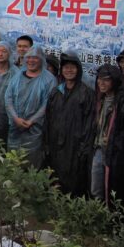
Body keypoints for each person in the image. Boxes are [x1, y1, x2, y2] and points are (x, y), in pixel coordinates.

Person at [44, 51, 95, 197]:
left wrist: (83, 149)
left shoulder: (86, 93)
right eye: (66, 67)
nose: (69, 70)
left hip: (75, 147)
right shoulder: (56, 92)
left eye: (73, 67)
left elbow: (89, 124)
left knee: (74, 183)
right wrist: (47, 142)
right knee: (55, 179)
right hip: (55, 146)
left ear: (78, 69)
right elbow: (48, 119)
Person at [4, 46, 57, 168]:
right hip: (15, 128)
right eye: (28, 57)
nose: (31, 61)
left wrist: (32, 121)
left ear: (41, 60)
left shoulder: (49, 80)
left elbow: (47, 104)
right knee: (13, 164)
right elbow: (8, 98)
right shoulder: (17, 76)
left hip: (35, 131)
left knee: (32, 167)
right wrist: (15, 118)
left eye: (35, 58)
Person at [91, 64, 124, 205]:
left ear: (114, 81)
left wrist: (114, 141)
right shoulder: (98, 99)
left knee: (114, 190)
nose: (101, 83)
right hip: (99, 149)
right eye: (99, 79)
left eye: (106, 80)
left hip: (115, 154)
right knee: (96, 189)